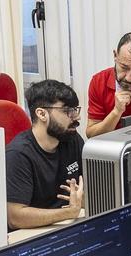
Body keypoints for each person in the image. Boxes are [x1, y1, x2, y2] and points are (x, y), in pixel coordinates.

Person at [6, 79, 86, 230]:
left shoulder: (72, 139)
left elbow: (86, 190)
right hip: (33, 233)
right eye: (67, 110)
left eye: (75, 109)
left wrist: (82, 202)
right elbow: (15, 218)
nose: (77, 117)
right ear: (42, 114)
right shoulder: (18, 154)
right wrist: (69, 212)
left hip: (69, 224)